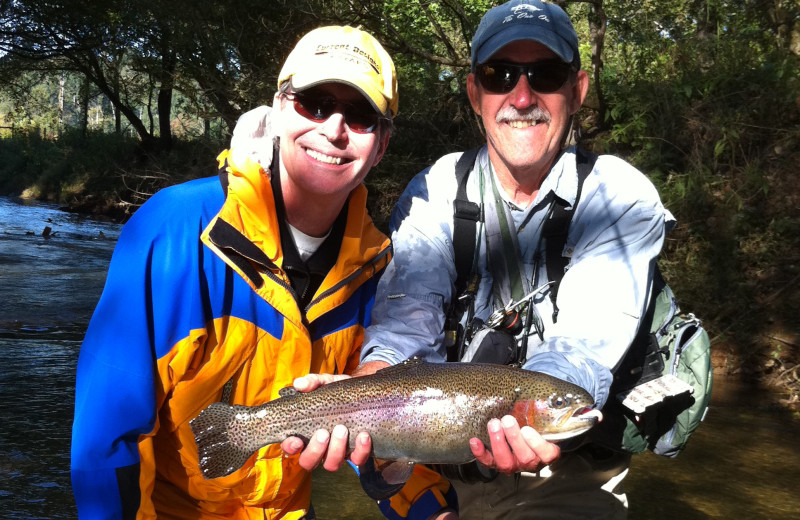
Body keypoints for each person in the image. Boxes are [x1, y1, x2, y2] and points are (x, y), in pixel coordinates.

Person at [350, 1, 676, 518]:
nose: (522, 97)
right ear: (475, 92)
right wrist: (371, 381)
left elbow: (581, 349)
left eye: (545, 74)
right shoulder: (434, 191)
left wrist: (528, 417)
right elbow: (407, 326)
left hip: (563, 477)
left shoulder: (619, 198)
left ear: (578, 90)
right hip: (432, 459)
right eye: (499, 75)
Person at [70, 25, 398, 519]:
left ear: (383, 145)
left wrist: (432, 507)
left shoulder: (380, 268)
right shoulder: (174, 230)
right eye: (313, 102)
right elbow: (106, 438)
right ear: (280, 108)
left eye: (360, 115)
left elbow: (393, 422)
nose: (334, 128)